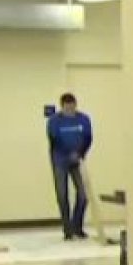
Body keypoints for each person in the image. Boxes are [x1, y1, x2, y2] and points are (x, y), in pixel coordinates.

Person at [46, 92, 93, 240]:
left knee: (83, 196)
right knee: (62, 195)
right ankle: (67, 230)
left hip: (77, 160)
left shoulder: (83, 119)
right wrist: (69, 153)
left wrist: (79, 153)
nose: (70, 110)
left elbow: (88, 138)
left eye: (72, 107)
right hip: (60, 161)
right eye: (67, 108)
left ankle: (77, 227)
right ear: (62, 106)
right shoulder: (54, 121)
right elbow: (54, 140)